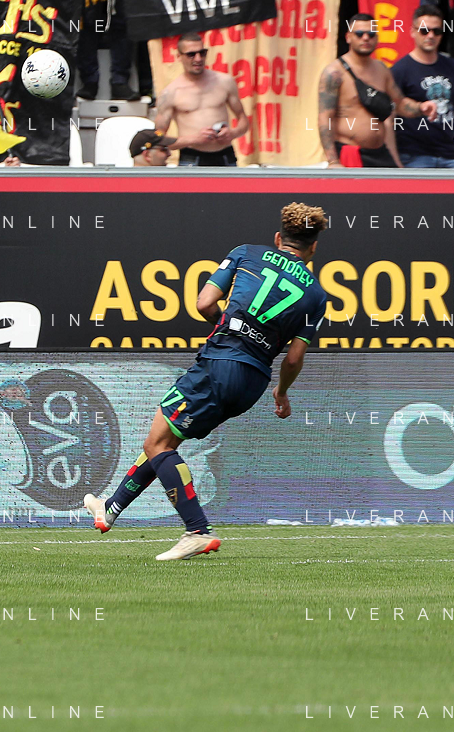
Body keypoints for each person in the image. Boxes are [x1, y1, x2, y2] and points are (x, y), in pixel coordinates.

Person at [83, 203, 329, 560]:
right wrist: (282, 392)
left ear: (278, 238)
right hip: (252, 382)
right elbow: (293, 358)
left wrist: (227, 327)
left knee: (158, 444)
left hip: (220, 363)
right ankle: (111, 508)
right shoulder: (317, 296)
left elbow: (205, 304)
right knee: (166, 439)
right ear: (314, 247)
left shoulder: (247, 254)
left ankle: (197, 530)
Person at [390, 5, 454, 168]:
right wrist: (395, 160)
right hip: (413, 155)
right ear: (413, 32)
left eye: (436, 31)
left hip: (450, 154)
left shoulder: (452, 67)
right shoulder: (400, 70)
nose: (430, 36)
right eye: (424, 31)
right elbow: (390, 115)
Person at [317, 13, 406, 168]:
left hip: (380, 153)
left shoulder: (382, 69)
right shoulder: (334, 73)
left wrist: (422, 107)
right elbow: (325, 118)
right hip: (350, 152)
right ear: (348, 37)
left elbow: (400, 104)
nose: (365, 38)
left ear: (376, 38)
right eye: (359, 34)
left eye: (371, 34)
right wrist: (333, 161)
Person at [154, 31, 248, 167]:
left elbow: (243, 120)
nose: (198, 59)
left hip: (225, 155)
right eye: (191, 54)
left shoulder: (224, 82)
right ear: (179, 56)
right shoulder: (171, 93)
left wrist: (232, 133)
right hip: (191, 157)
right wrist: (193, 139)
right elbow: (158, 138)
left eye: (202, 53)